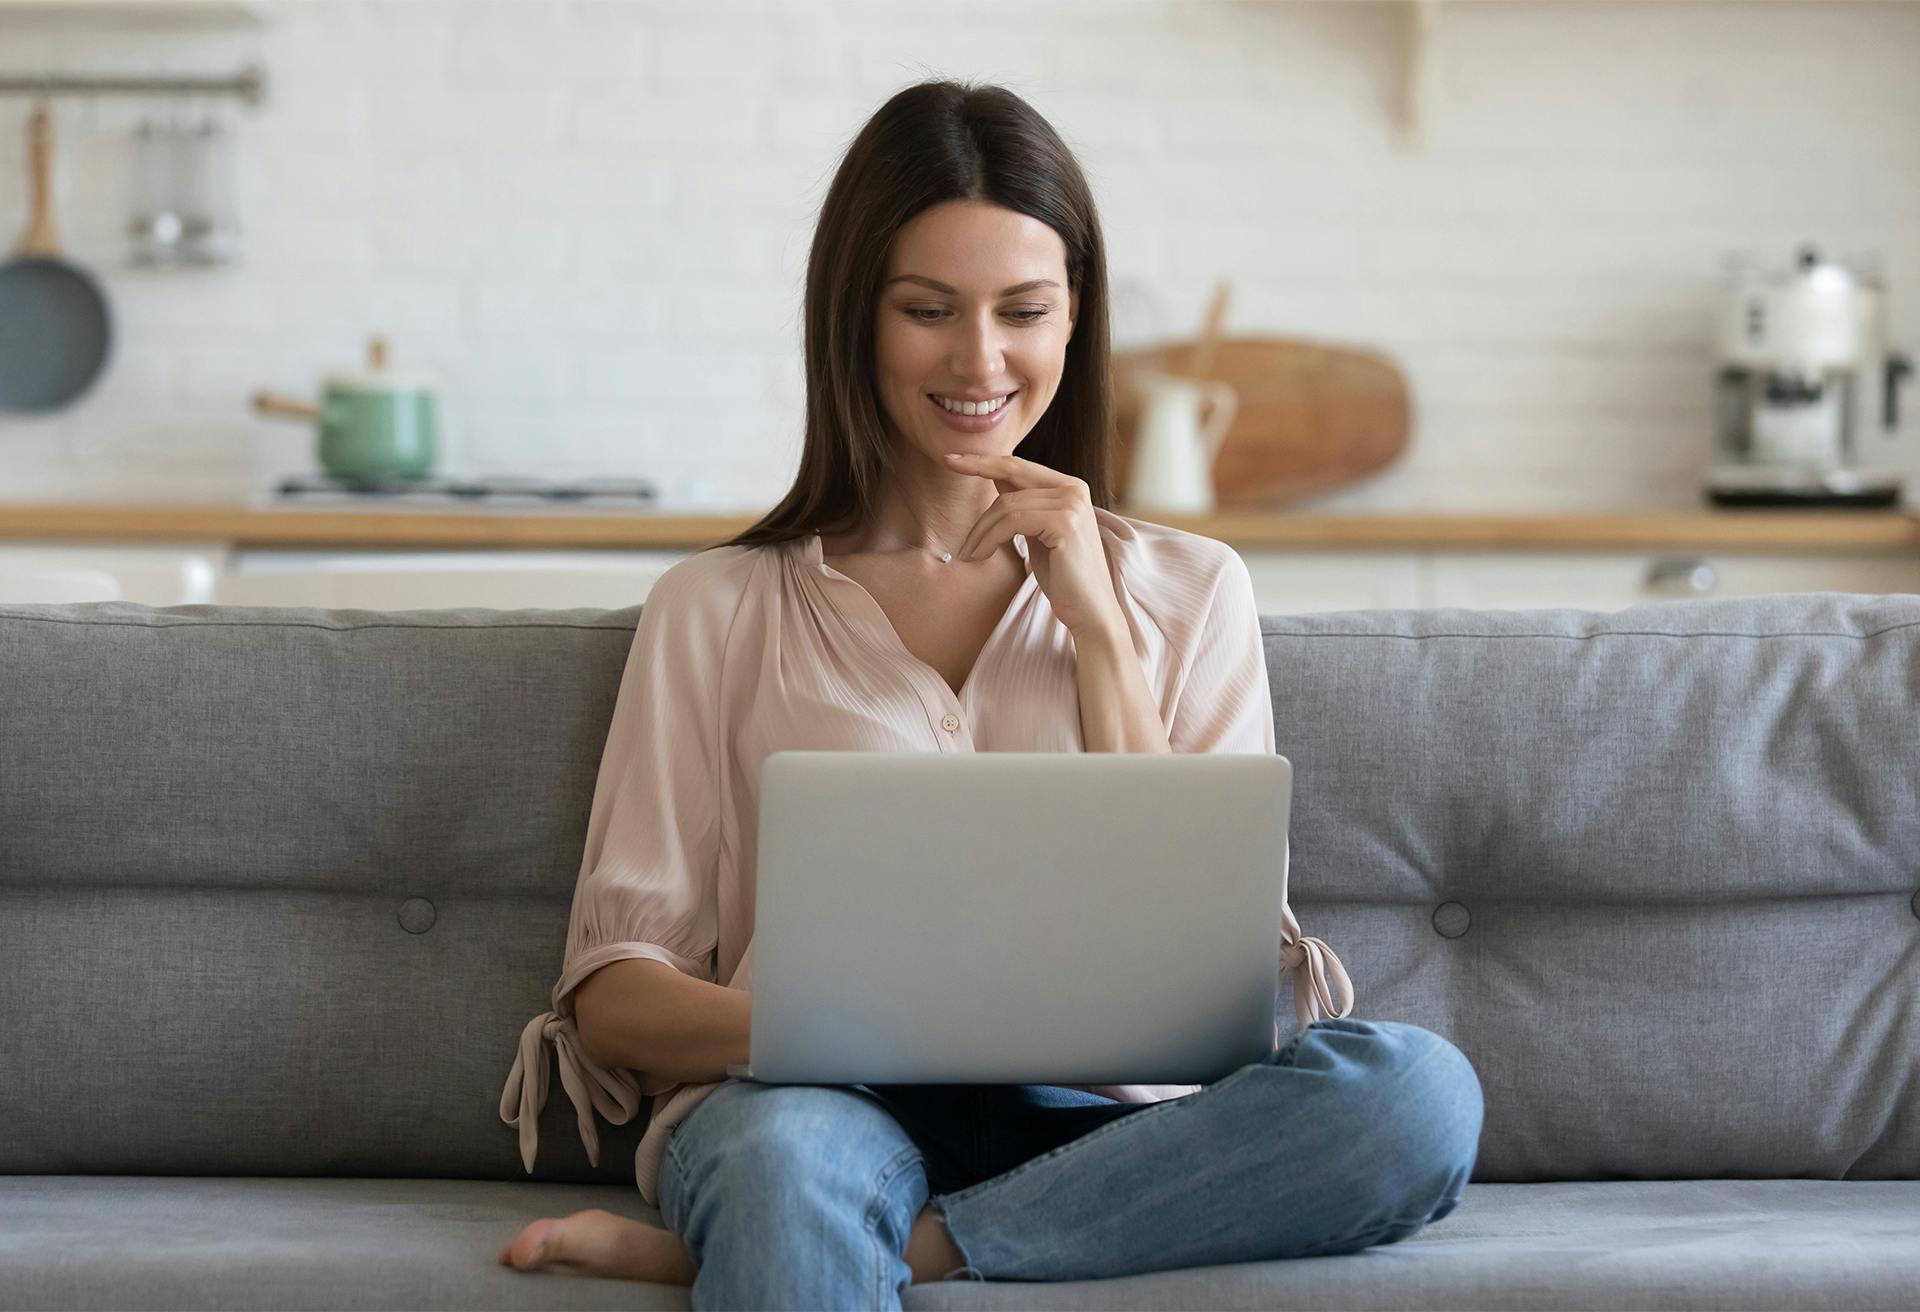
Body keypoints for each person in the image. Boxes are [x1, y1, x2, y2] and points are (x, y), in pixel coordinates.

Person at [495, 78, 1483, 1309]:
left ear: (1076, 321)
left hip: (1109, 1127)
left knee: (1419, 1093)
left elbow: (1204, 970)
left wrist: (1100, 633)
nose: (980, 361)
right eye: (928, 311)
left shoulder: (1194, 587)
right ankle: (816, 1225)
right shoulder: (718, 607)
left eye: (1024, 310)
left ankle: (897, 1248)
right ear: (855, 319)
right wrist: (843, 1025)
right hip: (810, 1110)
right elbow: (614, 1001)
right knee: (789, 1169)